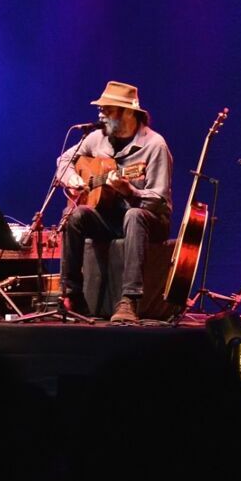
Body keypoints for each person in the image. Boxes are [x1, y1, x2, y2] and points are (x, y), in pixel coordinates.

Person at [54, 81, 173, 323]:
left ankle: (129, 300)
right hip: (111, 218)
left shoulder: (155, 145)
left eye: (107, 110)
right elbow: (65, 160)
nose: (100, 115)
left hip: (150, 221)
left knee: (133, 215)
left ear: (128, 112)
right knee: (76, 216)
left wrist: (130, 191)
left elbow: (159, 200)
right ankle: (73, 295)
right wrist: (73, 178)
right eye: (101, 109)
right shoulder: (97, 138)